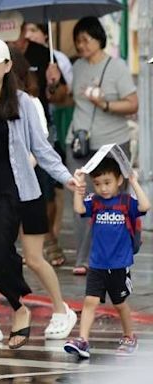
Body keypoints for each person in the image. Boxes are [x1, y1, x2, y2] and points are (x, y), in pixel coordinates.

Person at [0, 38, 81, 354]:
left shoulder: (22, 103)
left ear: (8, 66)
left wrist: (66, 178)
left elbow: (41, 149)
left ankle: (19, 304)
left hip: (12, 191)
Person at [65, 16, 138, 275]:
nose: (81, 45)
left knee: (115, 205)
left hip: (112, 144)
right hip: (80, 144)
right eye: (77, 41)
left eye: (85, 39)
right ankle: (84, 259)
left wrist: (105, 104)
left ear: (99, 39)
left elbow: (132, 104)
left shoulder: (116, 67)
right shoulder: (78, 67)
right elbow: (67, 99)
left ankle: (120, 254)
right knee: (80, 198)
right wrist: (54, 85)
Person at [64, 157, 150, 358]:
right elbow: (79, 209)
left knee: (120, 305)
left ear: (119, 180)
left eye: (107, 183)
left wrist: (135, 182)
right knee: (89, 302)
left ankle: (130, 336)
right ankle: (83, 340)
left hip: (119, 265)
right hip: (97, 264)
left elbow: (145, 206)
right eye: (98, 184)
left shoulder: (126, 202)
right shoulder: (94, 202)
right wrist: (79, 187)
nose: (103, 188)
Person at [24, 22, 75, 266]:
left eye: (32, 28)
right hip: (9, 130)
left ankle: (49, 238)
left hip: (42, 129)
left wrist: (53, 82)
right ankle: (24, 243)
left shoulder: (47, 55)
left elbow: (62, 96)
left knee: (46, 190)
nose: (27, 34)